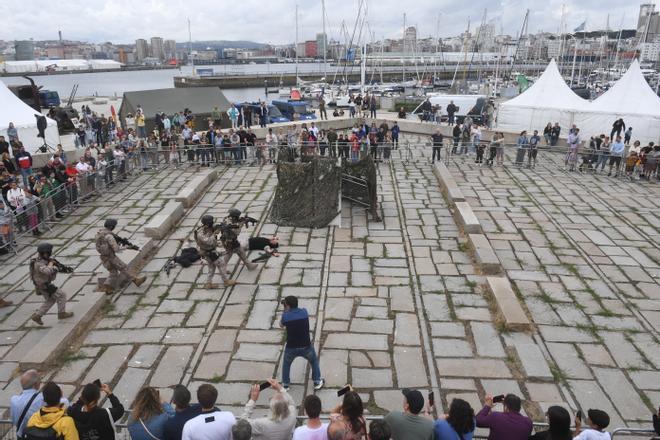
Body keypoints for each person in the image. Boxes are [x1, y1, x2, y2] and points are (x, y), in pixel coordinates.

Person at [280, 295, 324, 391]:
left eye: (285, 305)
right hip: (306, 346)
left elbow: (281, 325)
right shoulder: (304, 312)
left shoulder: (285, 316)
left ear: (287, 306)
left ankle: (286, 384)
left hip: (291, 346)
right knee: (313, 361)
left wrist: (285, 312)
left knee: (286, 364)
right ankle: (317, 381)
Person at [95, 219, 147, 293]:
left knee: (113, 273)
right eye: (114, 226)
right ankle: (136, 280)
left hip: (104, 258)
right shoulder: (109, 236)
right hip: (111, 257)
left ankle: (107, 286)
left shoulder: (99, 234)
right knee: (124, 268)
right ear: (111, 226)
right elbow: (116, 249)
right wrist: (126, 247)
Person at [11, 370, 66, 438]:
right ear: (35, 384)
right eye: (39, 380)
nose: (40, 382)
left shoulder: (13, 400)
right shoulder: (41, 398)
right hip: (38, 435)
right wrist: (59, 393)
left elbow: (13, 420)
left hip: (21, 435)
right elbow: (62, 403)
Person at [29, 243, 73, 325]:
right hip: (44, 286)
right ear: (45, 253)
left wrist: (63, 268)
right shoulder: (38, 264)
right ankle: (62, 313)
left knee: (50, 300)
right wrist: (53, 266)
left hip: (42, 285)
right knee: (62, 295)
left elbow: (57, 267)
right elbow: (48, 271)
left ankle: (38, 316)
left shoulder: (43, 260)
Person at [194, 215, 236, 288]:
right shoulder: (200, 234)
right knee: (221, 264)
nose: (212, 223)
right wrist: (215, 234)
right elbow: (209, 242)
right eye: (211, 222)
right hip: (209, 252)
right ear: (207, 223)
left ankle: (208, 284)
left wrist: (222, 226)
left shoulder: (206, 227)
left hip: (210, 250)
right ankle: (226, 281)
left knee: (212, 268)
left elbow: (215, 227)